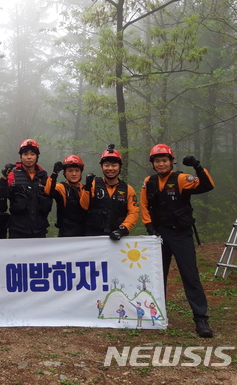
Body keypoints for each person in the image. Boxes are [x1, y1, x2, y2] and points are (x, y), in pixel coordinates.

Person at [140, 144, 215, 338]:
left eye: (164, 160)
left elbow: (207, 185)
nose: (161, 163)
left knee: (190, 276)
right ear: (153, 164)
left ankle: (201, 319)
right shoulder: (148, 182)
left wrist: (197, 166)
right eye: (157, 161)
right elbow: (144, 206)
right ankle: (156, 315)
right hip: (159, 235)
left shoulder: (181, 179)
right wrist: (149, 226)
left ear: (171, 161)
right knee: (158, 277)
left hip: (181, 234)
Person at [80, 144, 138, 240]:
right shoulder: (93, 185)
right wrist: (87, 187)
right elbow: (84, 206)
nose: (110, 168)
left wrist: (123, 229)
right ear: (101, 167)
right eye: (106, 165)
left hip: (117, 236)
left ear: (120, 167)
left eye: (114, 165)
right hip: (93, 235)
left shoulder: (128, 189)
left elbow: (133, 213)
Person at [0, 139, 53, 238]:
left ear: (37, 157)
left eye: (32, 154)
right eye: (25, 154)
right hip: (17, 229)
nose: (29, 157)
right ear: (21, 156)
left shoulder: (45, 177)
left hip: (39, 229)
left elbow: (51, 197)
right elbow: (0, 196)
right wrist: (3, 178)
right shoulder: (12, 175)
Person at [46, 155, 88, 237]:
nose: (74, 174)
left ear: (81, 172)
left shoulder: (84, 188)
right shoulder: (61, 187)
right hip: (66, 232)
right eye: (70, 171)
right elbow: (48, 191)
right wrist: (54, 174)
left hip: (84, 232)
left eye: (77, 171)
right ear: (65, 173)